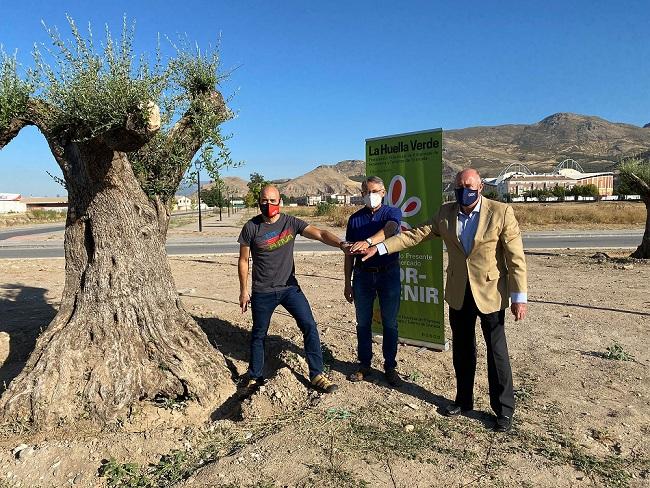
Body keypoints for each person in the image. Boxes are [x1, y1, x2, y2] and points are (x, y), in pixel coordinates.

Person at [361, 168, 527, 432]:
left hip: (491, 293)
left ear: (480, 186)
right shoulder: (445, 213)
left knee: (497, 353)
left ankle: (504, 410)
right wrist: (380, 247)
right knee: (462, 350)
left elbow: (515, 258)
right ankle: (463, 400)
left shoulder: (501, 212)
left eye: (469, 185)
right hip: (459, 292)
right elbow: (415, 234)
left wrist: (519, 296)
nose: (464, 190)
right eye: (459, 186)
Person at [238, 185, 346, 394]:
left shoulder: (290, 222)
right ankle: (255, 376)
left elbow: (321, 234)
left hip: (290, 288)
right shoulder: (251, 227)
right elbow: (243, 260)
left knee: (309, 325)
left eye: (272, 200)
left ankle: (317, 374)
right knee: (259, 334)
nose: (268, 205)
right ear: (259, 202)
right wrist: (244, 291)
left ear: (280, 202)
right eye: (264, 200)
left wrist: (341, 244)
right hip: (263, 291)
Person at [344, 176, 403, 386]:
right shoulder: (355, 219)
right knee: (363, 322)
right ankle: (364, 364)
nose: (371, 196)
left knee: (390, 322)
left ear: (384, 192)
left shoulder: (391, 212)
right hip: (362, 276)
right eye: (367, 192)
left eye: (375, 191)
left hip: (388, 274)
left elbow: (391, 229)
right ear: (361, 194)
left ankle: (390, 366)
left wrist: (368, 242)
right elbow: (349, 253)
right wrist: (347, 282)